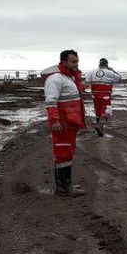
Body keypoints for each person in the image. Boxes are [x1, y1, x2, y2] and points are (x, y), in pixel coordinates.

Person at [42, 49, 87, 197]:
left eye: (77, 62)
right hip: (62, 125)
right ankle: (64, 188)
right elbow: (50, 101)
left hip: (70, 124)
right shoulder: (56, 79)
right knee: (63, 154)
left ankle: (66, 184)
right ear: (64, 62)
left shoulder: (69, 78)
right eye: (73, 62)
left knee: (67, 153)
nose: (76, 65)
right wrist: (54, 120)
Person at [86, 58, 123, 136]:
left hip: (95, 95)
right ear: (107, 64)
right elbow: (119, 78)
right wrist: (112, 70)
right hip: (105, 95)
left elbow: (87, 81)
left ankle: (99, 130)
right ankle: (100, 126)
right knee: (107, 111)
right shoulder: (109, 72)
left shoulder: (92, 72)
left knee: (98, 111)